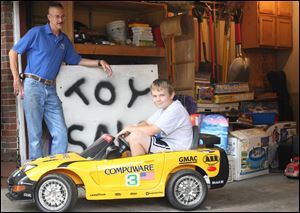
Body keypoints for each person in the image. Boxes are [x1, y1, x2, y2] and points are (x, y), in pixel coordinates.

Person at [9, 2, 113, 161]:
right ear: (49, 17)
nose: (60, 19)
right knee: (35, 133)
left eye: (62, 16)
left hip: (50, 89)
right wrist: (16, 78)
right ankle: (36, 174)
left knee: (60, 132)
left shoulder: (64, 40)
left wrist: (99, 62)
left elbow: (77, 60)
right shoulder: (36, 33)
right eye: (56, 16)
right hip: (33, 85)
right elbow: (13, 52)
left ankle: (56, 168)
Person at [117, 79, 192, 156]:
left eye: (162, 95)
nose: (158, 99)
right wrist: (131, 131)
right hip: (167, 143)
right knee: (133, 136)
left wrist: (129, 128)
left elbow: (151, 130)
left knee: (136, 137)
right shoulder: (163, 109)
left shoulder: (175, 109)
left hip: (176, 148)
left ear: (172, 95)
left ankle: (138, 166)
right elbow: (147, 123)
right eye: (155, 96)